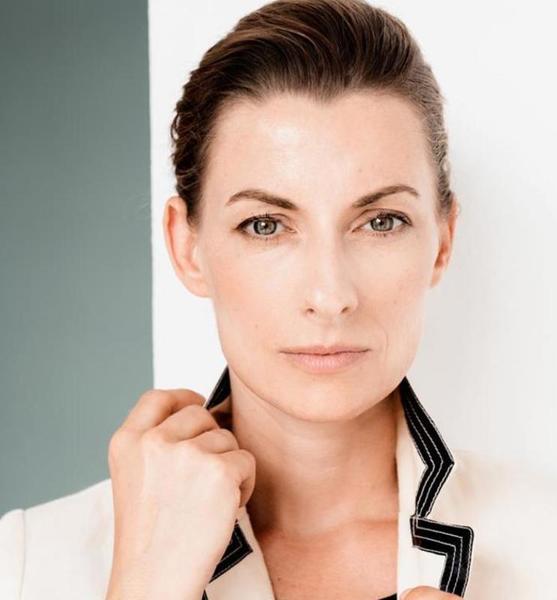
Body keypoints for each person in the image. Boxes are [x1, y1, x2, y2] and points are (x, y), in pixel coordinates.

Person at [1, 0, 556, 598]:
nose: (329, 296)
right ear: (187, 247)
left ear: (442, 242)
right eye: (265, 225)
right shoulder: (27, 563)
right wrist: (147, 584)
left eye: (381, 222)